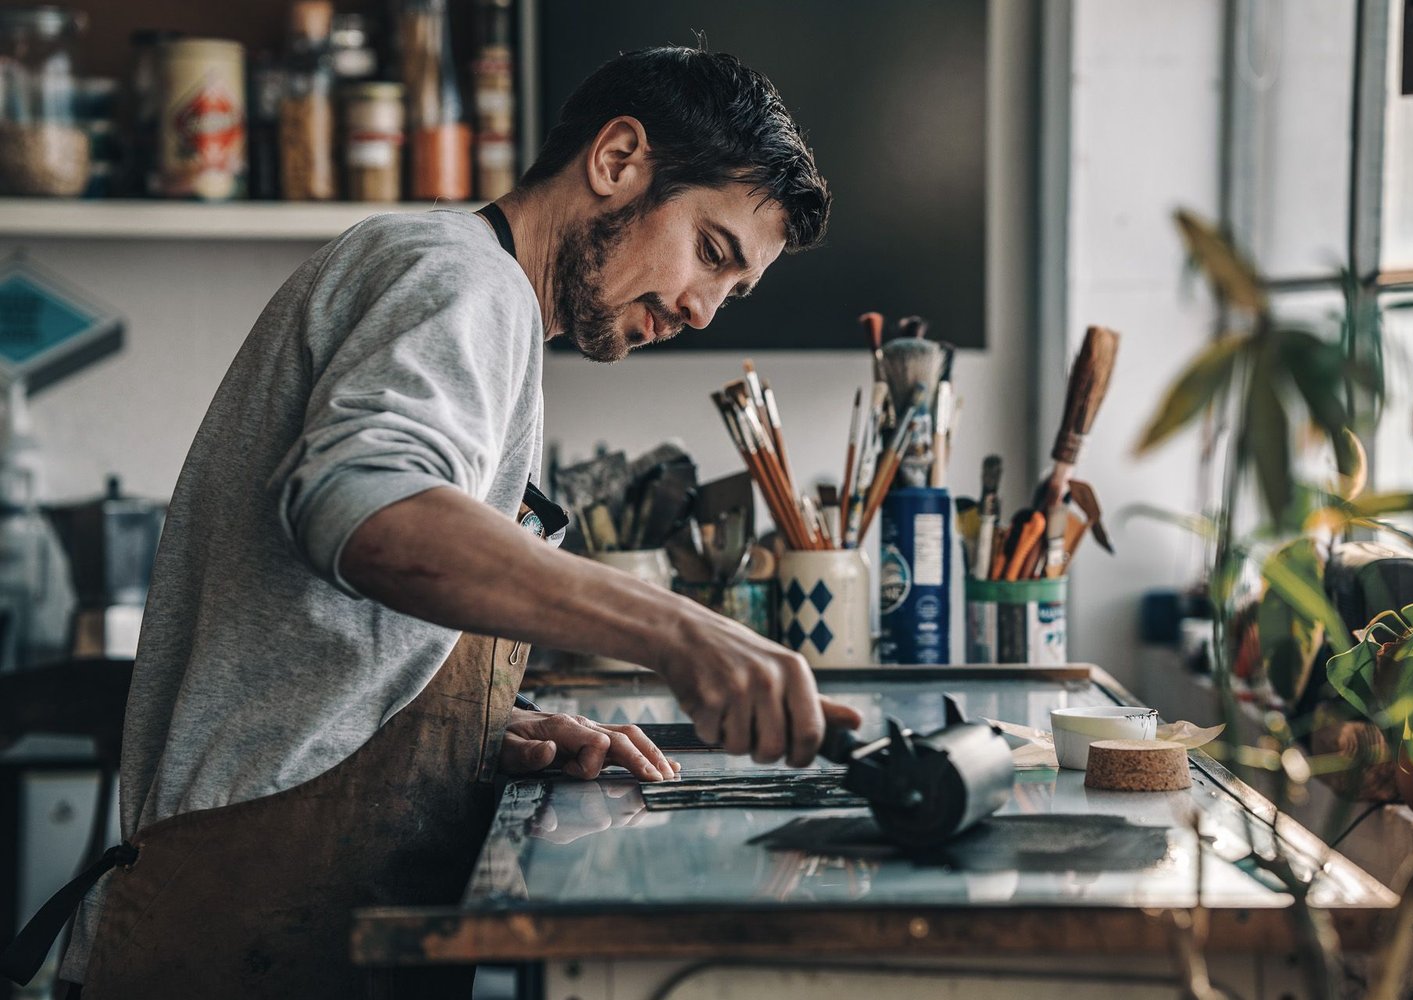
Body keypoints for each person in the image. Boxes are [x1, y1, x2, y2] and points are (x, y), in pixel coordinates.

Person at [56, 46, 858, 999]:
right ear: (617, 160)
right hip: (242, 932)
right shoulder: (460, 279)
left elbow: (346, 640)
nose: (698, 308)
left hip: (291, 915)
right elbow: (370, 507)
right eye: (712, 252)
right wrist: (679, 631)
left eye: (730, 289)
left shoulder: (474, 293)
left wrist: (495, 728)